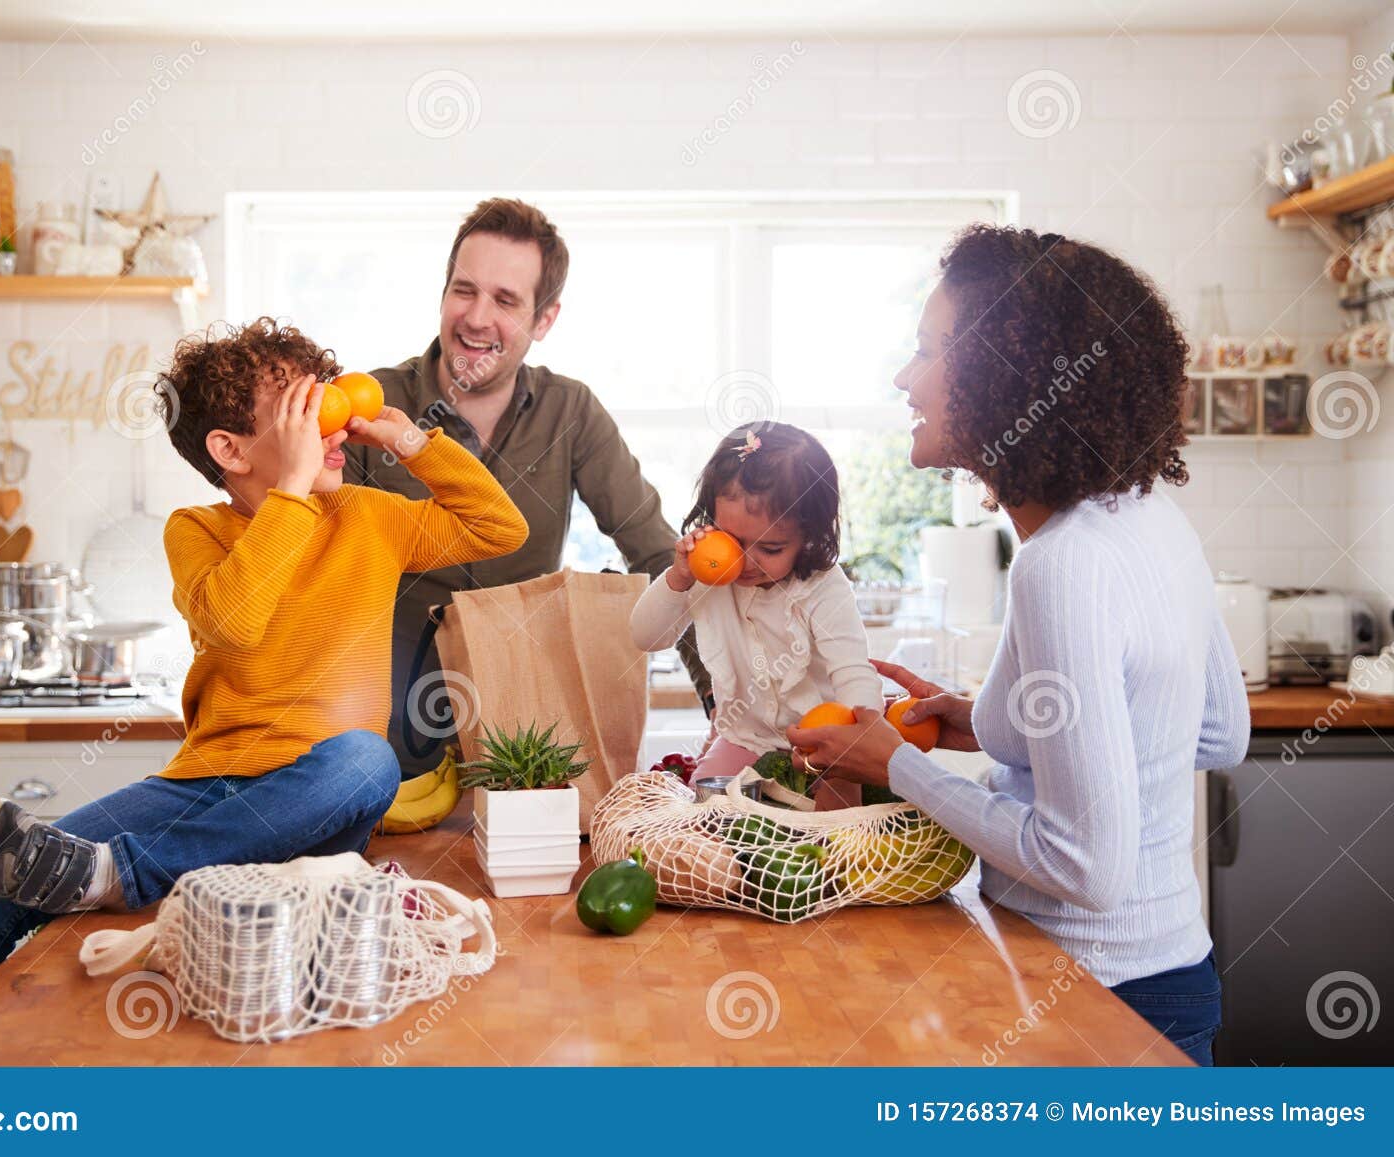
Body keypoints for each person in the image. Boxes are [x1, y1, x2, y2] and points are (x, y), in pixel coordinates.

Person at [0, 318, 528, 1062]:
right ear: (230, 449)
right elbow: (235, 622)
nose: (330, 419)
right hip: (204, 788)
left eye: (327, 398)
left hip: (312, 799)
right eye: (301, 409)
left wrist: (412, 441)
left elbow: (498, 527)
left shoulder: (370, 517)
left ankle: (123, 871)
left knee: (367, 761)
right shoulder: (198, 530)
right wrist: (292, 490)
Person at [784, 225, 1249, 1066]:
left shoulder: (1060, 565)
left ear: (1006, 378)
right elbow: (1218, 730)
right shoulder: (1146, 517)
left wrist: (896, 766)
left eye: (927, 351)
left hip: (1095, 1006)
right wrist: (987, 720)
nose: (903, 378)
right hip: (1171, 980)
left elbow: (1085, 867)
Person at [347, 197, 710, 775]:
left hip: (524, 742)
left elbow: (662, 556)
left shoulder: (571, 413)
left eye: (506, 300)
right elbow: (308, 559)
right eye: (464, 290)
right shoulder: (370, 406)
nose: (477, 318)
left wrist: (727, 716)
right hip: (380, 735)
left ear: (544, 320)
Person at [629, 422, 883, 781]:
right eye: (733, 539)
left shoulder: (823, 586)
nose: (746, 562)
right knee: (708, 804)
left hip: (824, 742)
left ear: (809, 537)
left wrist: (862, 740)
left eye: (771, 548)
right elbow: (647, 638)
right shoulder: (709, 575)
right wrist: (678, 578)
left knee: (838, 823)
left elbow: (852, 672)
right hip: (745, 737)